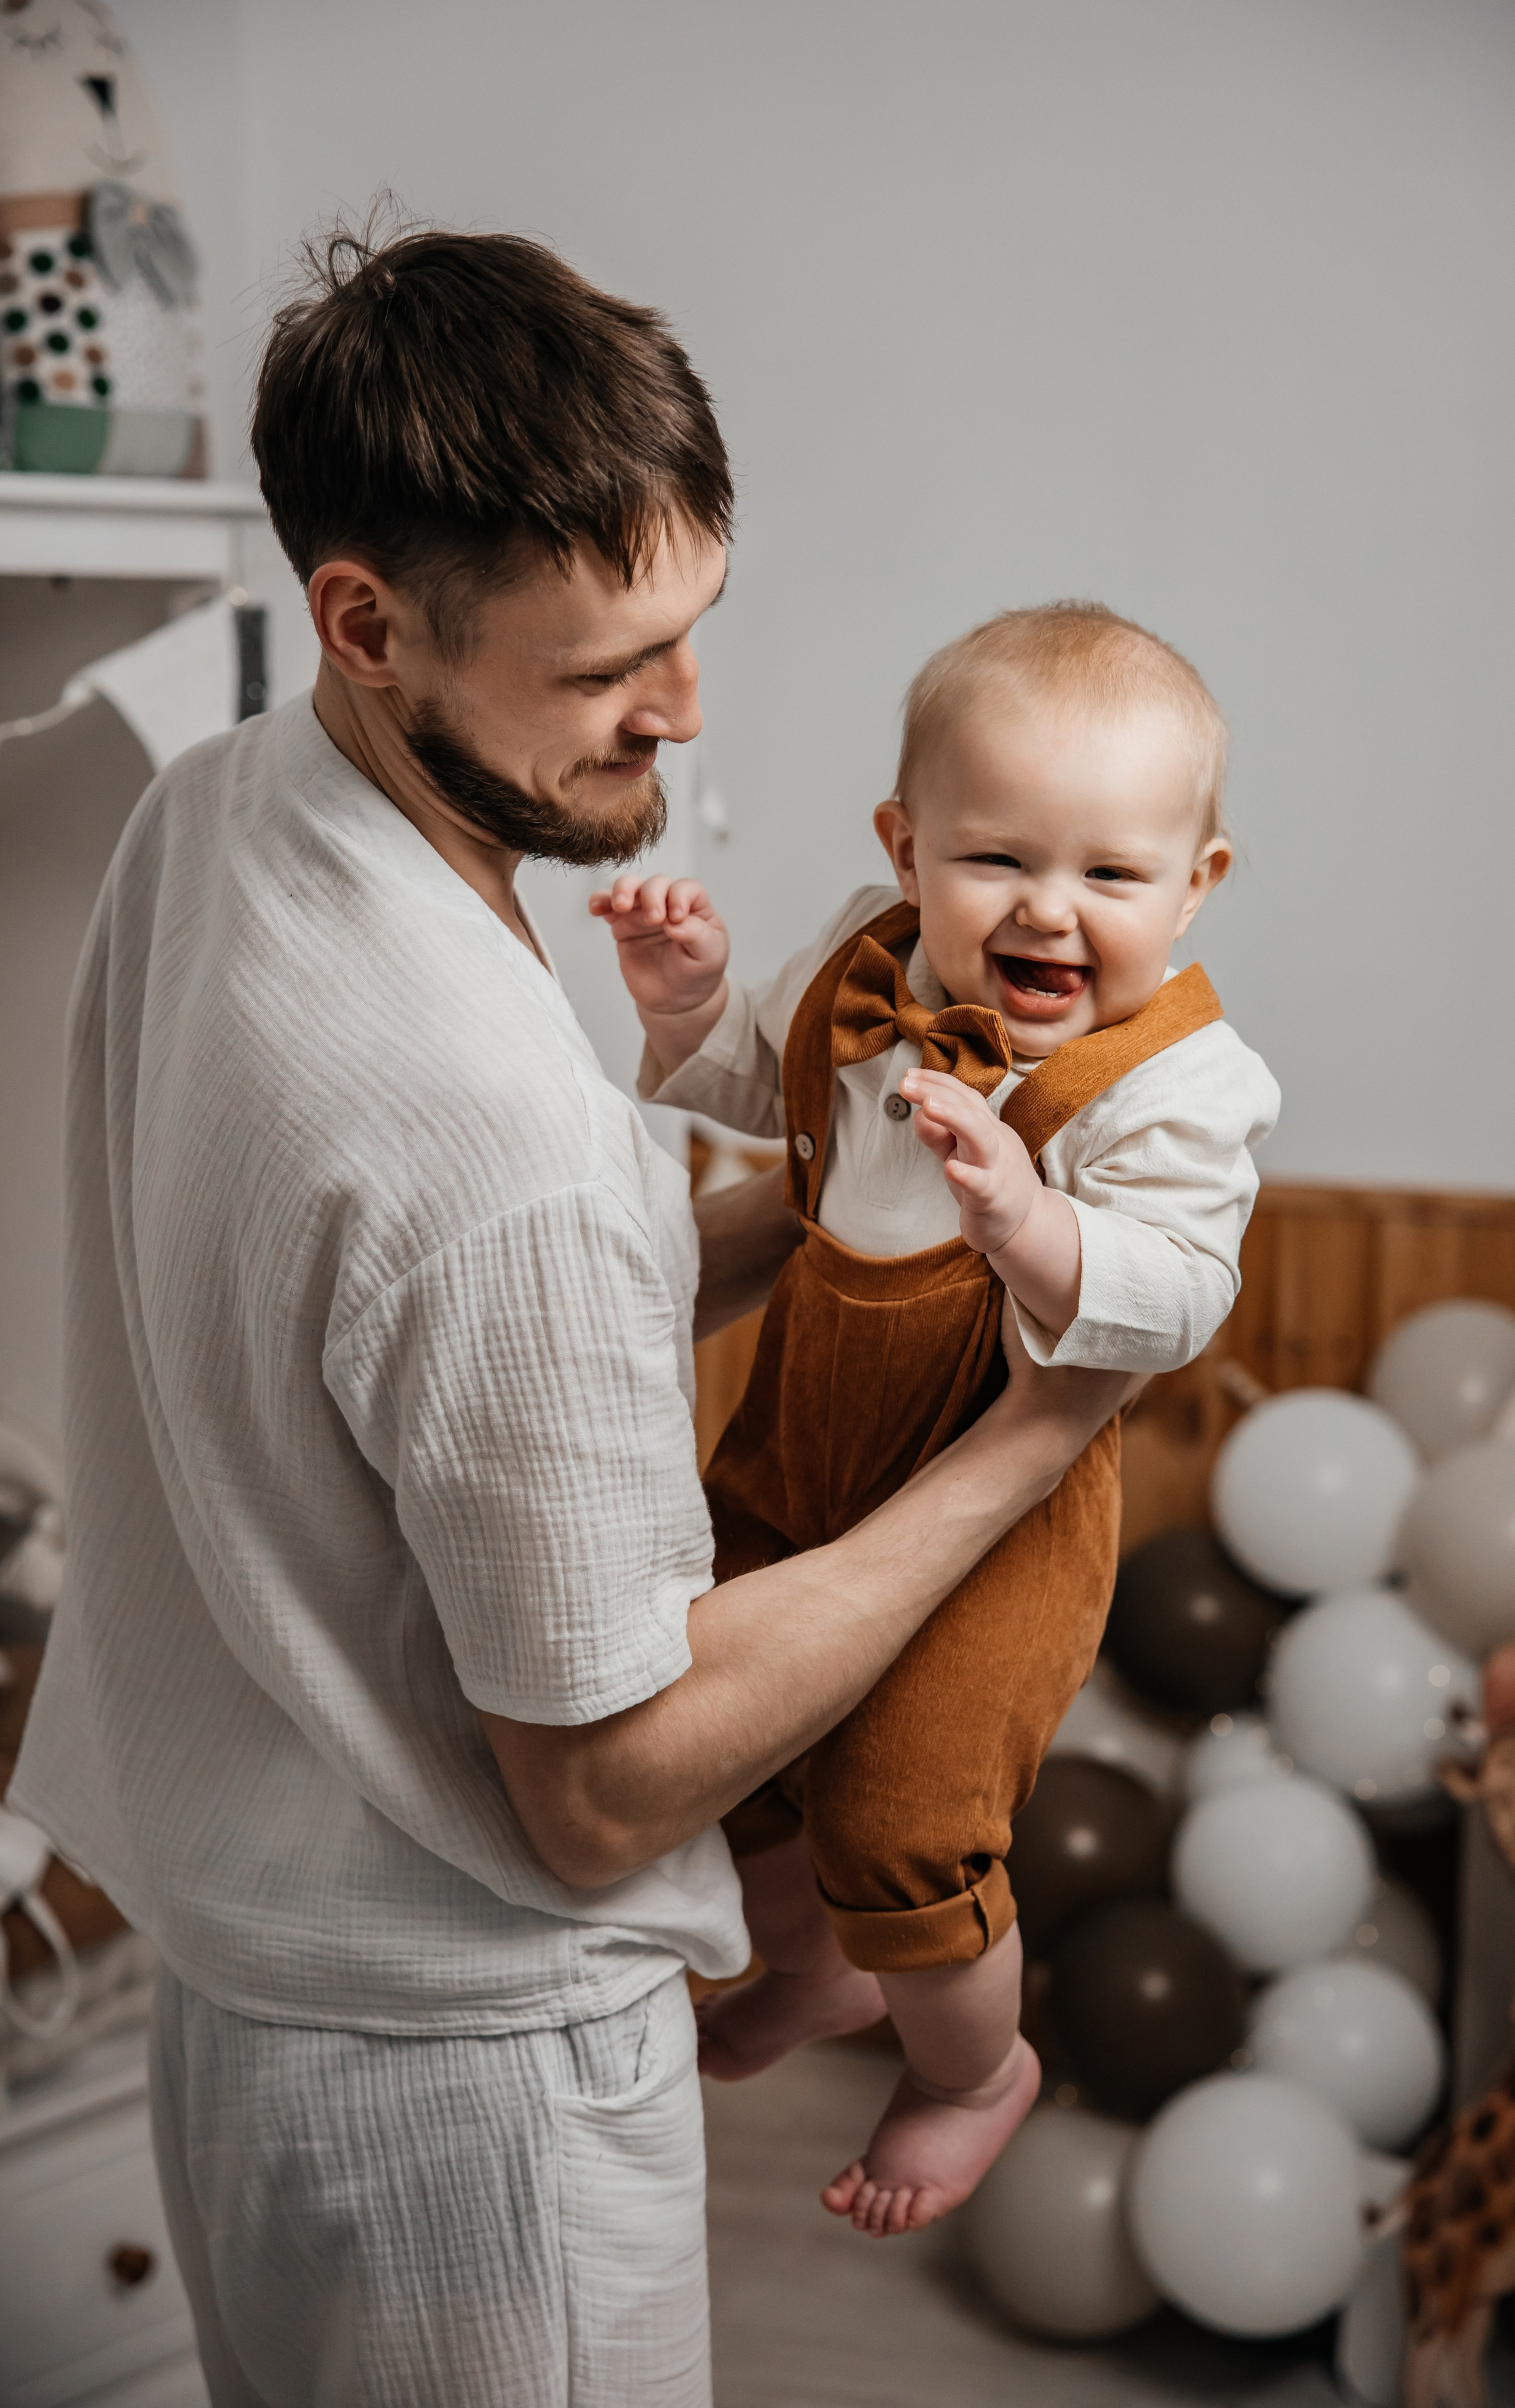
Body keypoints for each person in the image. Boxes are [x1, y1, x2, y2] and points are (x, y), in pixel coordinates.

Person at [6, 228, 1134, 2406]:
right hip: (475, 2108)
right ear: (367, 621)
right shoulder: (486, 1125)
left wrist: (852, 1222)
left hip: (243, 1984)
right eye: (616, 659)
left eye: (697, 624)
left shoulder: (216, 813)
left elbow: (374, 1325)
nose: (686, 708)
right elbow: (606, 1788)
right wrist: (1038, 1433)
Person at [593, 601, 1280, 2237]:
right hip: (801, 1439)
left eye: (1112, 876)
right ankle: (825, 1963)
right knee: (718, 1744)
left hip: (999, 1514)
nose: (1052, 909)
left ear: (1197, 885)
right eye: (997, 861)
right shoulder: (862, 962)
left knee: (906, 1813)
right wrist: (688, 1009)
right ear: (907, 850)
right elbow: (759, 1097)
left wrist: (1033, 1228)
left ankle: (975, 2074)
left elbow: (1180, 1293)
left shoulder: (1181, 1083)